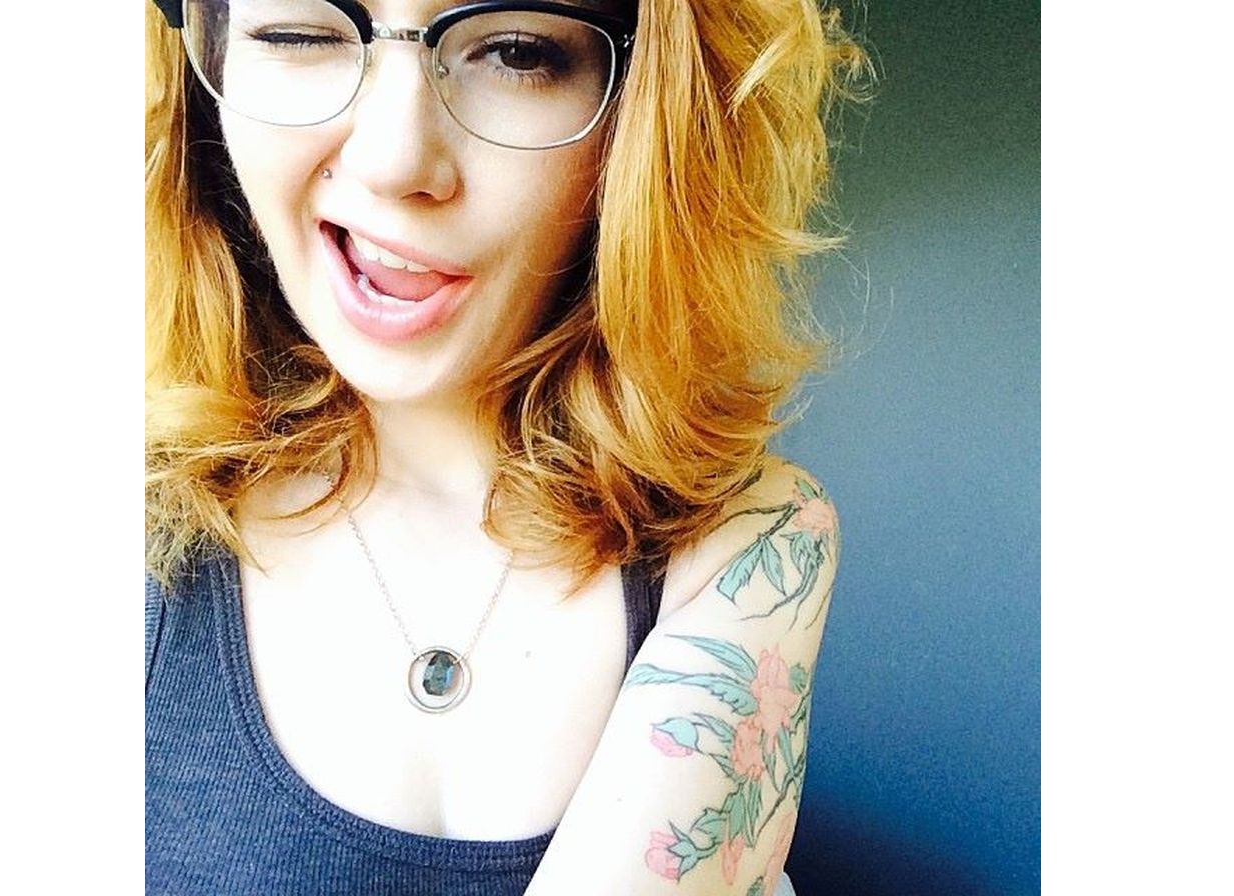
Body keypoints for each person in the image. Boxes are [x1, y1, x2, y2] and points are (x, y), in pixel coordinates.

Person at [144, 1, 867, 893]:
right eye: (299, 31)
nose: (393, 159)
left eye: (518, 53)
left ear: (648, 116)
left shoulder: (751, 538)